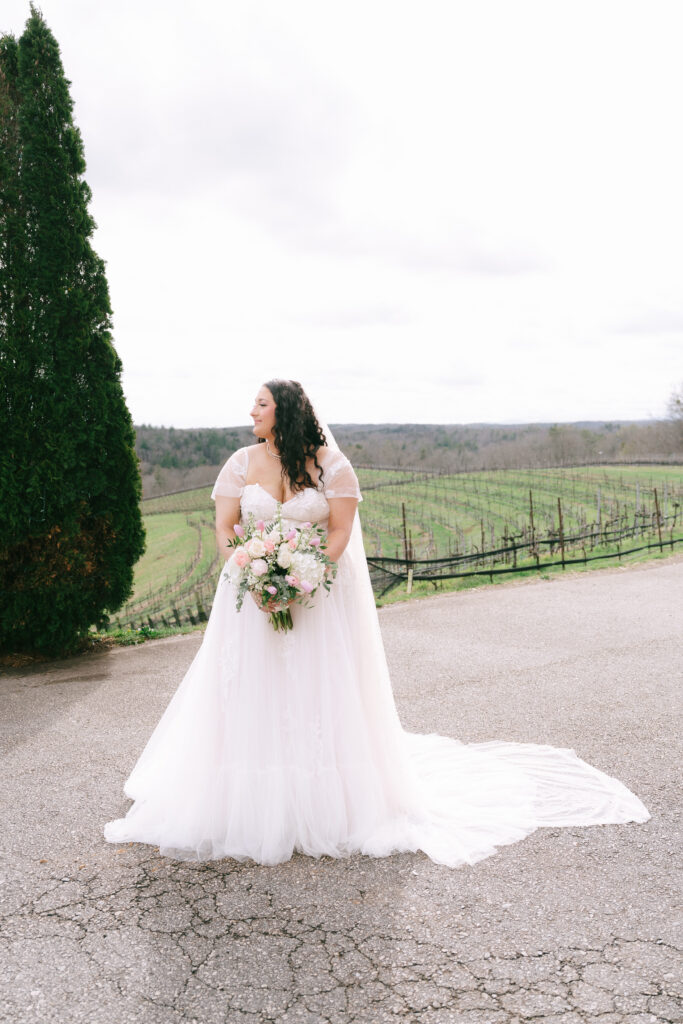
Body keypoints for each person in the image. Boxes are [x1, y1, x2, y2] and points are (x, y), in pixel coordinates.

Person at [104, 379, 650, 866]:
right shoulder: (239, 463)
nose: (252, 411)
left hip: (313, 595)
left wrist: (303, 577)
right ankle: (243, 799)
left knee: (314, 692)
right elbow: (225, 527)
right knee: (244, 690)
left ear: (286, 412)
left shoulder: (333, 467)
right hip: (245, 598)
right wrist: (249, 571)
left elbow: (339, 533)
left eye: (261, 404)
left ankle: (322, 800)